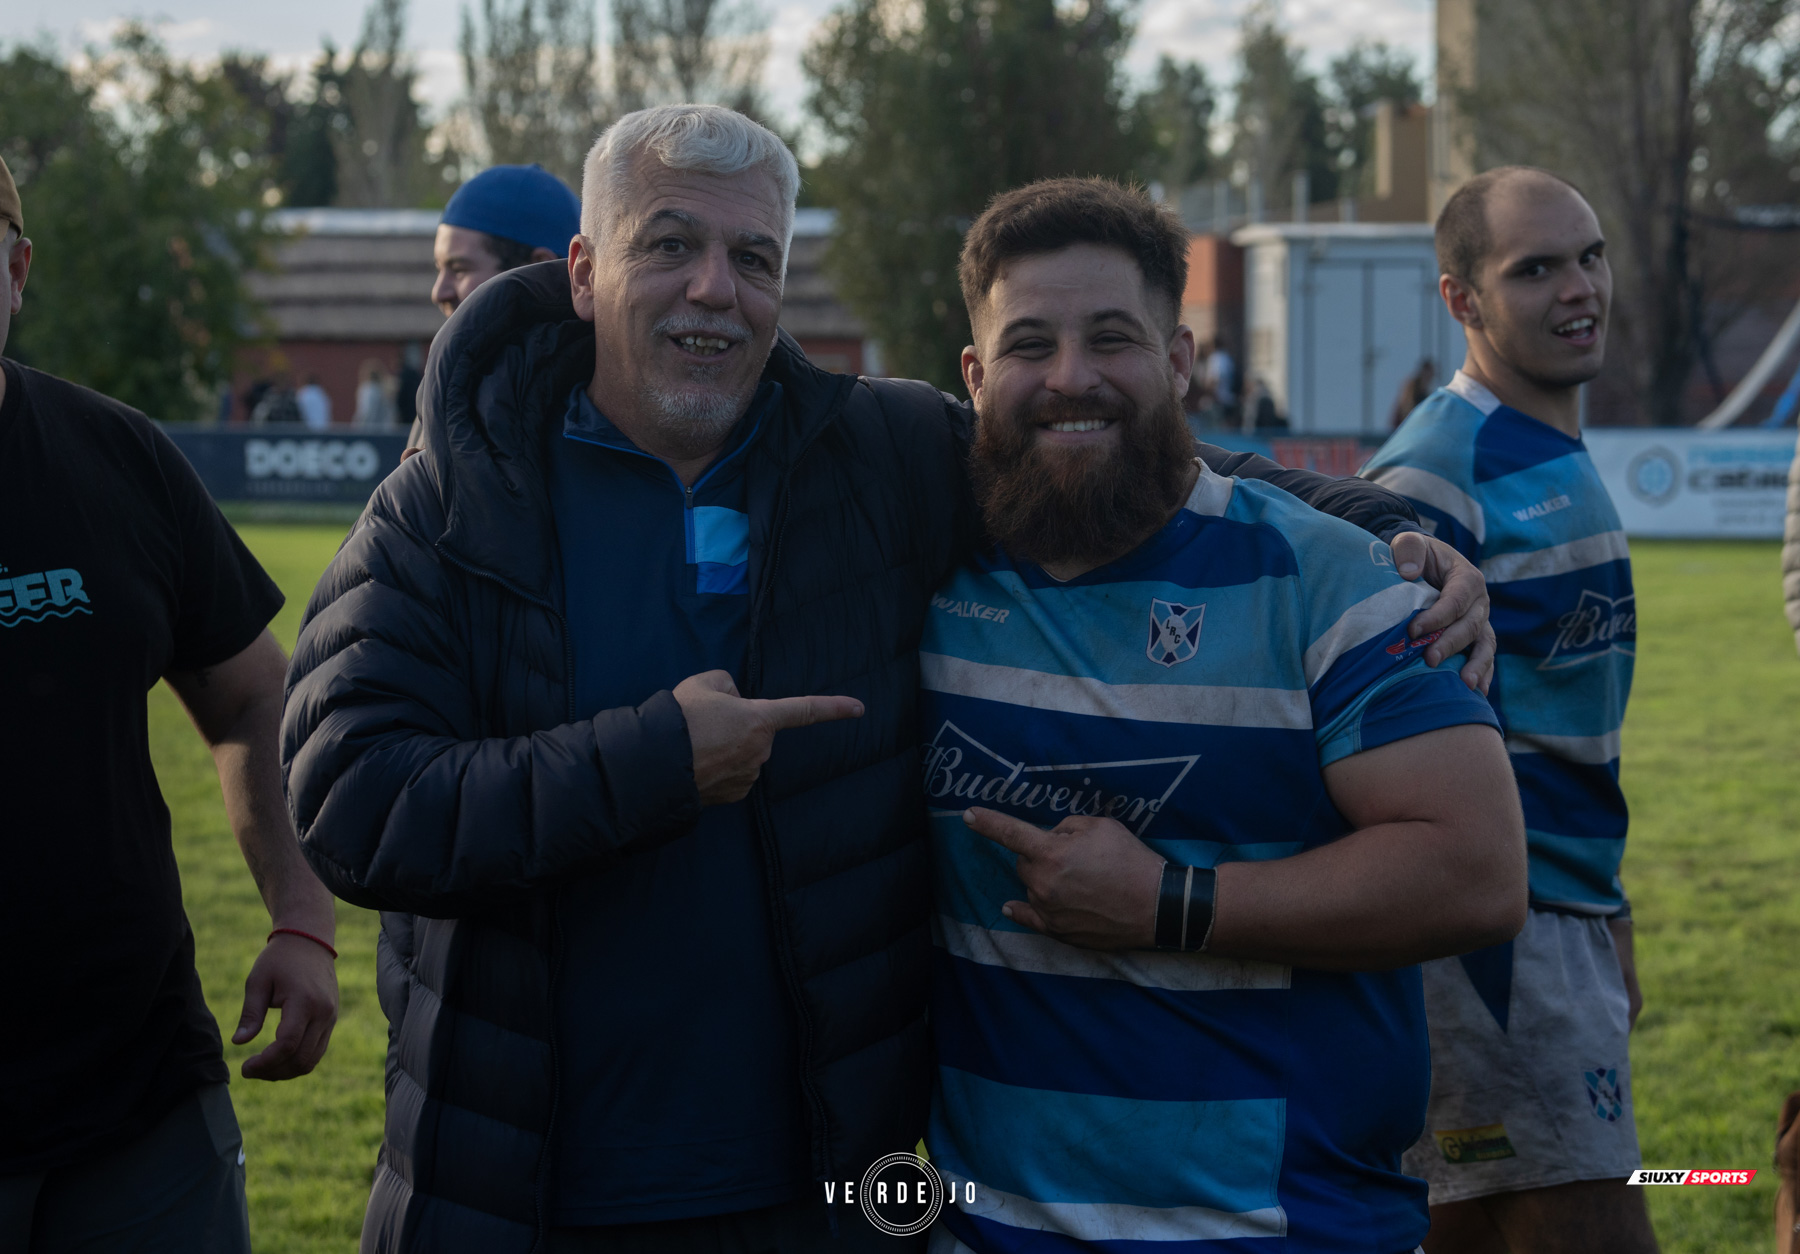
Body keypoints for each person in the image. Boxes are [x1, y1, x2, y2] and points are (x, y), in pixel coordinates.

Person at [282, 106, 1494, 1254]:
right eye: (673, 246)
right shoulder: (452, 501)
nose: (717, 286)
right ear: (585, 270)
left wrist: (1387, 529)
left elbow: (1094, 437)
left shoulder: (870, 458)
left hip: (828, 1197)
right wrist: (653, 759)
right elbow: (350, 800)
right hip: (516, 1191)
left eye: (754, 257)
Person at [917, 176, 1525, 1254]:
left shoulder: (1338, 584)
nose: (1070, 378)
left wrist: (1172, 903)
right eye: (1027, 346)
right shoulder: (911, 573)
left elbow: (1477, 871)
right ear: (973, 375)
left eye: (1113, 338)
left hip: (1282, 1230)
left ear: (1181, 361)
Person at [0, 157, 340, 1249]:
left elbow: (253, 696)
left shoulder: (119, 460)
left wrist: (299, 913)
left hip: (140, 1108)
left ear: (15, 269)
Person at [1360, 166, 1653, 1253]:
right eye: (1534, 269)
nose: (1579, 288)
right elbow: (1401, 748)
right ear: (1462, 301)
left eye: (1590, 256)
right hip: (1497, 950)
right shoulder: (1438, 474)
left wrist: (1607, 915)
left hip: (1567, 923)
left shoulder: (1554, 448)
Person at [404, 162, 583, 452]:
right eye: (439, 269)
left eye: (459, 269)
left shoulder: (597, 407)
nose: (440, 291)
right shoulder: (447, 386)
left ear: (537, 267)